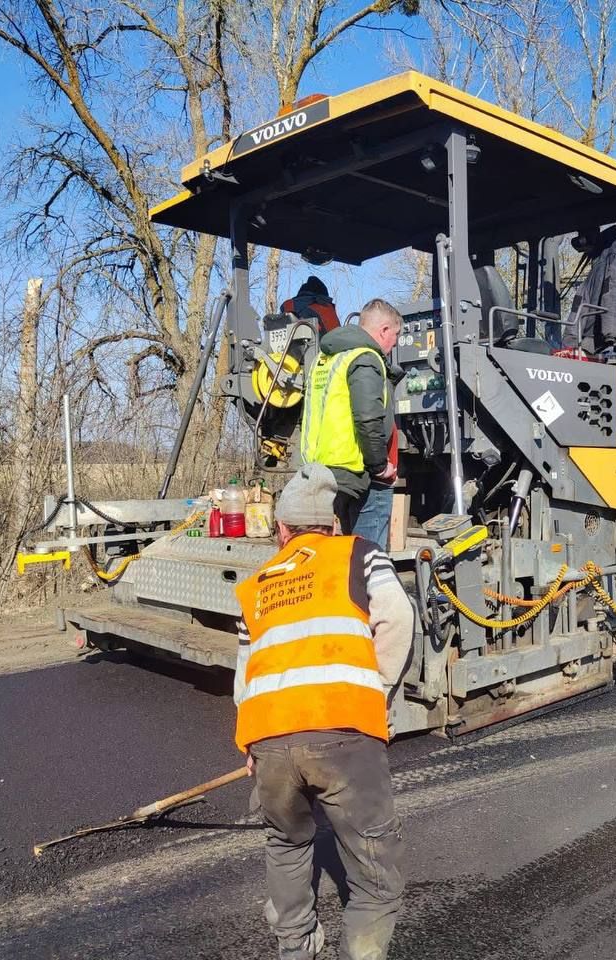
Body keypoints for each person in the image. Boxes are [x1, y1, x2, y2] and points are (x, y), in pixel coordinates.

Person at [234, 463, 414, 960]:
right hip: (344, 734)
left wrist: (252, 744)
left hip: (270, 740)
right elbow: (398, 619)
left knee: (287, 844)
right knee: (377, 880)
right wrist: (374, 690)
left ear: (282, 531)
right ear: (333, 526)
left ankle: (296, 949)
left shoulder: (258, 585)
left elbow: (245, 674)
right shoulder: (357, 555)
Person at [299, 298, 404, 536]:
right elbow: (368, 417)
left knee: (344, 558)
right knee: (366, 561)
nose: (395, 343)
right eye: (395, 335)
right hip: (360, 475)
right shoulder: (366, 358)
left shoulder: (325, 359)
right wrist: (379, 466)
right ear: (384, 330)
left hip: (323, 472)